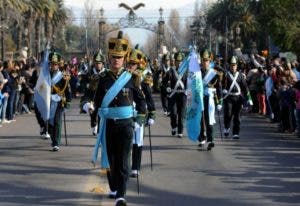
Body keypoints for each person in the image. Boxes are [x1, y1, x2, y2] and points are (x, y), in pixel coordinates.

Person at [92, 31, 146, 206]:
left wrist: (139, 120)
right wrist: (88, 108)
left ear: (124, 58)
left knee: (123, 160)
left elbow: (141, 101)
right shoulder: (102, 79)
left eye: (120, 57)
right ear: (109, 58)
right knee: (111, 159)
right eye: (114, 57)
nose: (116, 60)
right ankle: (114, 186)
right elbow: (96, 100)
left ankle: (121, 195)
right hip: (108, 124)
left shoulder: (132, 78)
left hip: (126, 125)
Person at [222, 56, 252, 139]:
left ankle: (236, 133)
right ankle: (227, 127)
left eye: (234, 65)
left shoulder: (240, 76)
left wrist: (249, 99)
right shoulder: (226, 75)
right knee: (228, 114)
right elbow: (222, 86)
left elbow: (245, 87)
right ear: (229, 66)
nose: (233, 66)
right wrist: (223, 91)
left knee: (237, 116)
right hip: (229, 97)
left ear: (236, 66)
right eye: (232, 65)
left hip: (238, 98)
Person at [198, 50, 222, 150]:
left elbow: (219, 87)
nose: (205, 62)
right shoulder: (197, 73)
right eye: (203, 60)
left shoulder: (214, 73)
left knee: (209, 119)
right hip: (200, 97)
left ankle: (210, 140)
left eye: (207, 60)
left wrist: (220, 101)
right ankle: (202, 137)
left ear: (210, 61)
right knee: (200, 119)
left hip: (210, 99)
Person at [48, 52, 72, 151]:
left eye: (55, 64)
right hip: (48, 101)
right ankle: (53, 138)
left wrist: (68, 101)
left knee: (57, 121)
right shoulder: (45, 75)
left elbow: (68, 90)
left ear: (58, 65)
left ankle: (56, 142)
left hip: (59, 101)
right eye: (52, 64)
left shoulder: (63, 76)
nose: (54, 66)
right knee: (49, 122)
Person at [80, 50, 106, 135]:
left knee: (101, 114)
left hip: (103, 97)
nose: (98, 65)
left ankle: (99, 128)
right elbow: (83, 84)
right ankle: (94, 124)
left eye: (100, 63)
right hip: (91, 97)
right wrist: (88, 85)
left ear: (102, 64)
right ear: (94, 63)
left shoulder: (107, 74)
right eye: (96, 63)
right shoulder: (89, 73)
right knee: (92, 111)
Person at [163, 51, 187, 138]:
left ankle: (180, 131)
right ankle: (174, 126)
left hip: (183, 96)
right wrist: (167, 87)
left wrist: (188, 89)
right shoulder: (171, 71)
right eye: (177, 61)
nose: (179, 63)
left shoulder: (186, 72)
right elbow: (164, 82)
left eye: (181, 61)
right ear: (175, 62)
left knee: (181, 114)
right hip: (173, 95)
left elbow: (190, 82)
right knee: (173, 113)